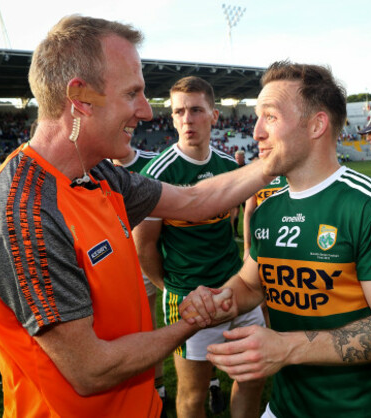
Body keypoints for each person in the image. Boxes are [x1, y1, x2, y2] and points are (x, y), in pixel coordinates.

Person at [0, 16, 272, 418]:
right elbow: (91, 369)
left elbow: (194, 200)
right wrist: (189, 322)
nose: (146, 112)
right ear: (81, 98)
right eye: (132, 94)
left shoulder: (96, 174)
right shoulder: (25, 216)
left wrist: (273, 163)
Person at [180, 61, 371, 417]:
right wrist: (218, 300)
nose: (257, 131)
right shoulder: (267, 208)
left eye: (270, 117)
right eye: (257, 118)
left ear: (317, 125)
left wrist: (286, 348)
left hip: (358, 409)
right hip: (285, 405)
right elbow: (251, 283)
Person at [135, 76, 265, 418]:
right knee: (193, 396)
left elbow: (234, 222)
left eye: (195, 110)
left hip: (237, 290)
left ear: (214, 115)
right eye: (179, 112)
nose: (187, 119)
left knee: (252, 377)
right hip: (190, 298)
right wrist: (171, 287)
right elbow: (144, 246)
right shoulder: (156, 174)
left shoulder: (226, 166)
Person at [113, 146, 169, 406]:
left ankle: (159, 387)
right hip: (114, 260)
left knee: (150, 323)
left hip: (147, 255)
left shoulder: (152, 161)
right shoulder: (96, 165)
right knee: (126, 328)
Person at [242, 173, 287, 259]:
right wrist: (247, 248)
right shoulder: (255, 177)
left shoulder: (289, 172)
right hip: (261, 240)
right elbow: (248, 213)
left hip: (286, 238)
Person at [231, 149, 247, 238]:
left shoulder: (247, 167)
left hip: (245, 192)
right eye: (236, 158)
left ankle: (247, 231)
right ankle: (235, 232)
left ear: (243, 158)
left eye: (238, 158)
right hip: (236, 192)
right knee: (236, 212)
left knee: (246, 212)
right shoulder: (233, 167)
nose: (237, 159)